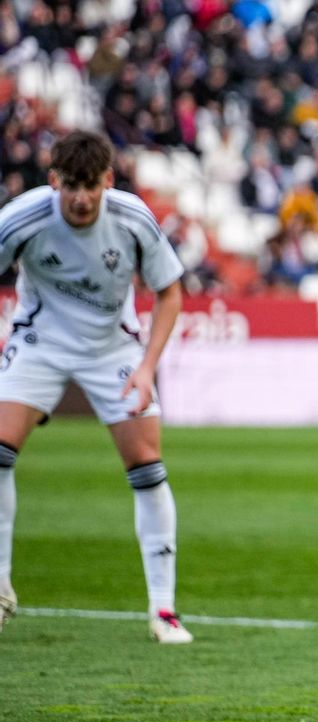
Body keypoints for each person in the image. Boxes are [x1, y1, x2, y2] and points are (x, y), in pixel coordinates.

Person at [0, 131, 192, 643]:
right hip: (40, 341)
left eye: (91, 186)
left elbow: (170, 293)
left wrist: (148, 367)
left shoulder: (131, 218)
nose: (81, 199)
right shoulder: (21, 218)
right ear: (54, 182)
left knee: (147, 466)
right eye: (71, 187)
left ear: (108, 181)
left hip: (114, 348)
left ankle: (164, 610)